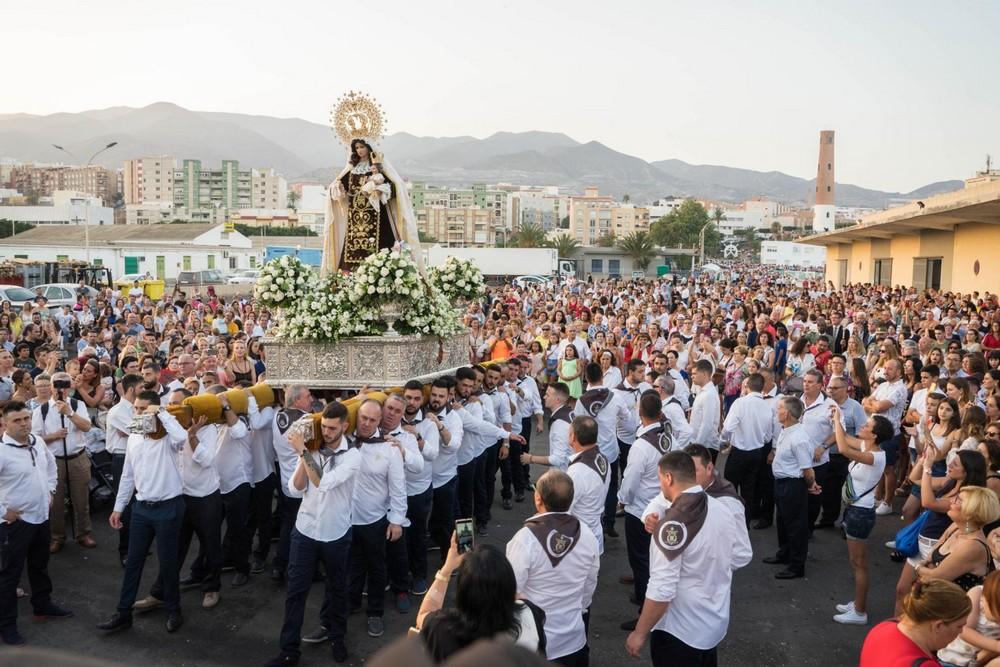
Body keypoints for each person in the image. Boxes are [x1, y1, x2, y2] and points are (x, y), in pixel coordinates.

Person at [625, 451, 752, 665]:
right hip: (713, 620)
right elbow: (739, 554)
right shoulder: (723, 508)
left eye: (659, 479)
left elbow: (662, 588)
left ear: (668, 478)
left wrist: (639, 632)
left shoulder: (670, 527)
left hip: (680, 630)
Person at [266, 401, 361, 666]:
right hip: (305, 530)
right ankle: (288, 651)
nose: (327, 432)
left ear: (345, 426)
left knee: (337, 589)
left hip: (335, 533)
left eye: (332, 428)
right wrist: (303, 455)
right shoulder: (313, 450)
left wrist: (303, 453)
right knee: (295, 592)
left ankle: (337, 637)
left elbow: (324, 483)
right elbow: (295, 489)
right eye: (324, 427)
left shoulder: (353, 456)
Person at [98, 390, 189, 634]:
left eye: (142, 409)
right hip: (141, 509)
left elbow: (182, 436)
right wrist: (118, 508)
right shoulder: (134, 437)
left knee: (168, 563)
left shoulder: (168, 435)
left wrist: (161, 413)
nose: (137, 413)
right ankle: (123, 613)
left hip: (169, 507)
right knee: (133, 563)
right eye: (135, 408)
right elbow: (128, 476)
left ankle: (174, 610)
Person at [506, 469, 599, 667]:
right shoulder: (587, 535)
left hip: (535, 643)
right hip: (574, 638)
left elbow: (510, 591)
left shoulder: (525, 539)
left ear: (538, 499)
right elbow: (589, 585)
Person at [0, 401, 72, 646]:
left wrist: (51, 490)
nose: (23, 424)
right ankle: (6, 626)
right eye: (17, 420)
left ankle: (42, 605)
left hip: (41, 518)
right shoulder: (1, 451)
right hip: (15, 524)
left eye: (26, 418)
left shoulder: (38, 442)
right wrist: (3, 511)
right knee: (9, 576)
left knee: (39, 566)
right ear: (4, 424)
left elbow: (51, 467)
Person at [416, 538, 545, 663]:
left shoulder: (442, 628)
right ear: (509, 583)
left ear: (463, 591)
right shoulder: (531, 613)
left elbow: (424, 613)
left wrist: (447, 569)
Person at [347, 399, 407, 640]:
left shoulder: (389, 448)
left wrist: (396, 520)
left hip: (375, 521)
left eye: (372, 420)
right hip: (347, 520)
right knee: (352, 566)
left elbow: (398, 488)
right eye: (363, 418)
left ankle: (375, 613)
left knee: (377, 569)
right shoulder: (346, 442)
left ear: (379, 421)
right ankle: (351, 603)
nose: (366, 423)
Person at [828, 405, 893, 625]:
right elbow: (845, 438)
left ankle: (860, 611)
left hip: (861, 513)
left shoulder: (876, 456)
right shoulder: (868, 445)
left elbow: (844, 449)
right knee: (856, 562)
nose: (863, 425)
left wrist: (837, 421)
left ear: (874, 434)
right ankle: (857, 603)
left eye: (867, 425)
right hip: (856, 510)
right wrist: (837, 419)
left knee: (859, 563)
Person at [323, 139, 423, 274]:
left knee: (380, 252)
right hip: (355, 219)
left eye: (362, 147)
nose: (359, 150)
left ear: (369, 148)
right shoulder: (352, 169)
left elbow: (394, 188)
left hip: (377, 217)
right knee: (353, 251)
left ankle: (379, 278)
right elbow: (339, 191)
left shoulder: (377, 167)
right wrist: (338, 189)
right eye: (357, 147)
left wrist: (380, 189)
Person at [619, 391, 671, 632]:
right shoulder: (667, 436)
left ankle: (645, 610)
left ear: (640, 414)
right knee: (653, 559)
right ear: (660, 412)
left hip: (641, 509)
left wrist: (622, 500)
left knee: (641, 560)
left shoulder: (641, 445)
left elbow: (630, 479)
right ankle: (646, 597)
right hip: (663, 504)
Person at [31, 371, 95, 552]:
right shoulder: (40, 410)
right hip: (54, 461)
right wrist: (53, 436)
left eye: (66, 385)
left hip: (78, 458)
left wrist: (69, 413)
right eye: (58, 385)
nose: (62, 389)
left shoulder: (78, 405)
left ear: (71, 387)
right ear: (51, 387)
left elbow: (87, 427)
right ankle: (57, 537)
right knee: (56, 502)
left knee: (81, 500)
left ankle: (84, 534)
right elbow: (34, 439)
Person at [764, 396, 821, 579]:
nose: (776, 411)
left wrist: (811, 485)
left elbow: (807, 469)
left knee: (796, 525)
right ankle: (784, 553)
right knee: (782, 521)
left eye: (779, 408)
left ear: (786, 413)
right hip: (781, 482)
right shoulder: (786, 430)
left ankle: (797, 565)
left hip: (793, 485)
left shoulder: (798, 438)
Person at [576, 362, 631, 539]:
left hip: (589, 451)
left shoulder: (581, 400)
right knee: (612, 486)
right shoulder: (614, 397)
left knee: (592, 488)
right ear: (602, 376)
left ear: (587, 378)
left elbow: (576, 424)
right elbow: (627, 417)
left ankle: (595, 522)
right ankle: (609, 523)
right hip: (610, 450)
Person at [860, 579, 970, 667]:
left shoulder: (883, 627)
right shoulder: (924, 665)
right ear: (938, 626)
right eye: (959, 626)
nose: (961, 632)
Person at [719, 372, 774, 516]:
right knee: (748, 490)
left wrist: (723, 442)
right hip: (756, 453)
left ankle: (730, 520)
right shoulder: (767, 406)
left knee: (730, 489)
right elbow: (768, 437)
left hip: (739, 452)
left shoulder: (740, 403)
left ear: (747, 386)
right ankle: (746, 523)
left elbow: (728, 429)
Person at [863, 358, 909, 516]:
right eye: (885, 368)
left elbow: (880, 406)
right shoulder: (882, 385)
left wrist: (874, 404)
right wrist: (873, 404)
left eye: (890, 369)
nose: (885, 371)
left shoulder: (900, 389)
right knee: (877, 466)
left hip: (890, 433)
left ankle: (888, 502)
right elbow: (866, 402)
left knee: (888, 468)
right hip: (875, 431)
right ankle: (877, 496)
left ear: (898, 371)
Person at [105, 373, 142, 566]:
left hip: (137, 456)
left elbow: (143, 431)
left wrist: (136, 430)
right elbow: (141, 431)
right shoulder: (117, 411)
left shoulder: (139, 409)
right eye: (141, 388)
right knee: (125, 504)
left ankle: (137, 545)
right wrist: (137, 430)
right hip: (121, 458)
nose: (144, 391)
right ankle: (125, 551)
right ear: (131, 389)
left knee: (138, 501)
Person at [565, 415, 611, 556]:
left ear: (573, 437)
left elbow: (565, 509)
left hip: (579, 540)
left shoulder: (577, 471)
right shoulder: (602, 459)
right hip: (595, 531)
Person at [937, 570, 1000, 667]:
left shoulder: (991, 604)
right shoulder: (977, 595)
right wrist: (995, 646)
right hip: (952, 658)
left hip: (977, 661)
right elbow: (964, 630)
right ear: (986, 598)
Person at [521, 382, 574, 471]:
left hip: (563, 475)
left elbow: (558, 459)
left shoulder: (559, 424)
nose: (544, 397)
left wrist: (530, 458)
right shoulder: (569, 412)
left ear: (557, 399)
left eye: (547, 395)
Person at [688, 359, 721, 463]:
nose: (692, 376)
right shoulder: (704, 392)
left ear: (705, 374)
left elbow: (707, 423)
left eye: (694, 373)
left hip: (705, 447)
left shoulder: (709, 394)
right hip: (701, 444)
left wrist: (697, 447)